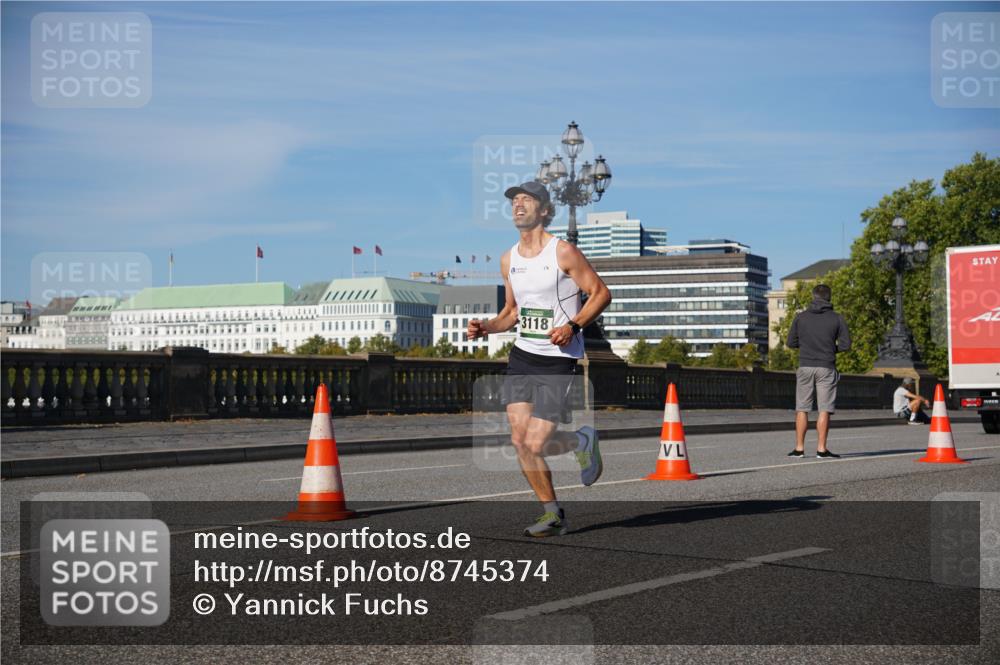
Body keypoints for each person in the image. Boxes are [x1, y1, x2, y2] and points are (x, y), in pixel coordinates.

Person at [467, 180, 612, 537]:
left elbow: (600, 293)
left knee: (536, 442)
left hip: (557, 361)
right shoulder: (509, 259)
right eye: (514, 200)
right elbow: (512, 313)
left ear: (544, 211)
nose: (518, 205)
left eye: (526, 200)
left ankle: (581, 441)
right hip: (522, 356)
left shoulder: (562, 252)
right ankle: (552, 513)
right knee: (519, 441)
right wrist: (486, 327)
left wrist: (574, 326)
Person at [786, 283, 851, 458]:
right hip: (826, 366)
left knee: (802, 408)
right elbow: (846, 345)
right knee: (824, 409)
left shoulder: (801, 317)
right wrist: (830, 349)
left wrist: (807, 346)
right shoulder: (837, 318)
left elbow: (790, 343)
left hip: (805, 365)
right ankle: (821, 449)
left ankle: (799, 448)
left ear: (813, 297)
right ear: (829, 298)